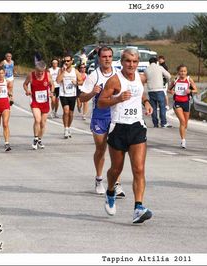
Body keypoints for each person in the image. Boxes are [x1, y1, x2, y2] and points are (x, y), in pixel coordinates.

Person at [98, 47, 153, 224]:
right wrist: (117, 99)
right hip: (118, 128)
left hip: (137, 126)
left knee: (139, 169)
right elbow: (100, 103)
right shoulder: (115, 81)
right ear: (121, 62)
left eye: (134, 61)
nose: (131, 64)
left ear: (138, 63)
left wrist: (146, 102)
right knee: (116, 169)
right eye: (128, 61)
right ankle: (110, 191)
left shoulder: (140, 77)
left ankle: (138, 207)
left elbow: (140, 92)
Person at [78, 46, 125, 197]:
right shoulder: (94, 76)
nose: (107, 59)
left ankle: (116, 184)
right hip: (99, 117)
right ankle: (99, 179)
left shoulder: (118, 74)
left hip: (116, 116)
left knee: (117, 151)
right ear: (99, 58)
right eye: (104, 56)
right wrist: (93, 92)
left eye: (109, 56)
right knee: (101, 149)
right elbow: (81, 97)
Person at [23, 61, 54, 150]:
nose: (40, 73)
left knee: (43, 123)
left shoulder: (47, 75)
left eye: (42, 72)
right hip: (35, 101)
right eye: (39, 72)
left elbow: (52, 85)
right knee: (37, 119)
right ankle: (35, 138)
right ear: (35, 70)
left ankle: (39, 140)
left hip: (45, 102)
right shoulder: (31, 75)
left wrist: (52, 92)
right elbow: (25, 84)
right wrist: (27, 90)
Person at [167, 64, 198, 149]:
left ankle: (184, 132)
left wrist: (190, 90)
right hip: (177, 103)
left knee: (185, 124)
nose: (183, 73)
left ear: (186, 72)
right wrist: (172, 92)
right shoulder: (176, 80)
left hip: (186, 103)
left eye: (184, 71)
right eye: (181, 71)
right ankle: (183, 140)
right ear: (178, 72)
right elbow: (168, 89)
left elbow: (196, 90)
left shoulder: (189, 80)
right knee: (182, 121)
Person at [56, 54, 83, 139]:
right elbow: (58, 81)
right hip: (63, 94)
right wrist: (63, 71)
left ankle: (69, 127)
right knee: (66, 111)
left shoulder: (75, 71)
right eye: (65, 61)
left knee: (71, 114)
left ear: (71, 61)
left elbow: (81, 81)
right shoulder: (61, 70)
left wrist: (77, 83)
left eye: (68, 61)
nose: (66, 62)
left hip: (72, 94)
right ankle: (65, 129)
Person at [144, 57, 171, 128]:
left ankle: (155, 124)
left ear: (149, 63)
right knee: (162, 106)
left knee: (153, 107)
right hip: (159, 89)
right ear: (156, 62)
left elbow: (144, 79)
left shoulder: (146, 70)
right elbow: (168, 76)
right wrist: (165, 81)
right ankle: (163, 123)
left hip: (150, 91)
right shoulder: (160, 68)